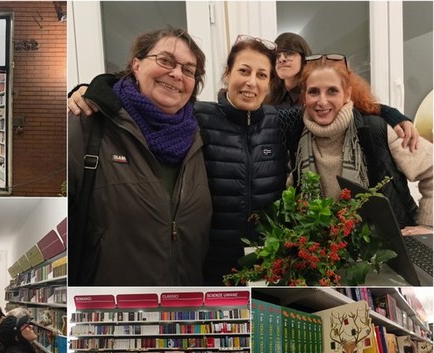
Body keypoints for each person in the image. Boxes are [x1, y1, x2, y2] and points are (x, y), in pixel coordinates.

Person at [68, 35, 420, 285]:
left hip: (268, 268)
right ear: (227, 75)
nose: (251, 83)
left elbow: (332, 105)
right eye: (244, 71)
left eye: (262, 75)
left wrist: (391, 113)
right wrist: (92, 89)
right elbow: (153, 96)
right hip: (206, 268)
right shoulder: (197, 118)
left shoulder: (281, 121)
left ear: (270, 84)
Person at [68, 27, 212, 286]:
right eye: (166, 60)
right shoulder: (89, 123)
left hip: (183, 310)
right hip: (110, 311)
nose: (177, 73)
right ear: (136, 64)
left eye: (189, 70)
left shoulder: (199, 139)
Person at [293, 54, 433, 231]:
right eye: (313, 91)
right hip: (326, 250)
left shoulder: (377, 129)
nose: (322, 101)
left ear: (347, 94)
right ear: (304, 97)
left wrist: (427, 225)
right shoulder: (296, 137)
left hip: (387, 245)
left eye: (332, 91)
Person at [268, 32, 419, 152]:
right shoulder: (269, 98)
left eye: (288, 53)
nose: (282, 59)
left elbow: (363, 107)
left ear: (304, 57)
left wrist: (397, 117)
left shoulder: (323, 85)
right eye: (278, 55)